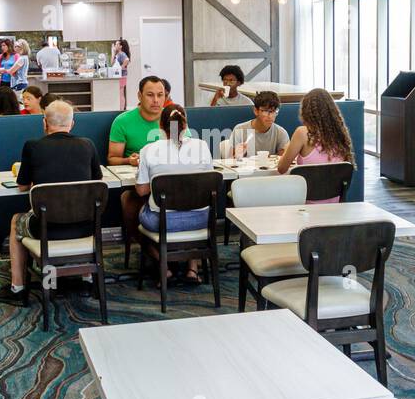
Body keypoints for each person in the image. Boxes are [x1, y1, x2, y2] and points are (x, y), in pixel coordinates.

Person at [0, 100, 102, 306]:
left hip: (46, 229)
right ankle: (86, 278)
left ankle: (17, 287)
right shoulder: (88, 145)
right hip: (85, 228)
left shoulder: (33, 146)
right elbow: (96, 181)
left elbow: (22, 186)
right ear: (72, 124)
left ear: (44, 123)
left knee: (16, 220)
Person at [135, 103, 213, 284]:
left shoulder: (149, 150)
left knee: (137, 215)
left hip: (163, 222)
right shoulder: (202, 146)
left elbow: (141, 191)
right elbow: (209, 185)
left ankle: (166, 267)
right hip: (201, 219)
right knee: (192, 206)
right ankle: (192, 268)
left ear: (161, 127)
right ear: (185, 125)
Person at [110, 76, 168, 237]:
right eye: (150, 95)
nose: (156, 100)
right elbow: (112, 158)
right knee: (127, 200)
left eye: (160, 95)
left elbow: (185, 150)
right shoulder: (122, 121)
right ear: (139, 96)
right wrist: (128, 160)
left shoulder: (172, 119)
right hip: (139, 187)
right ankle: (152, 253)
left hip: (172, 186)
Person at [277, 88, 354, 203]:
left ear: (306, 111)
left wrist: (289, 146)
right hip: (335, 206)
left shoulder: (302, 133)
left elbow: (281, 168)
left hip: (306, 205)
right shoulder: (340, 134)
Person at [231, 91, 290, 157]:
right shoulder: (239, 130)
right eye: (265, 111)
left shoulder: (281, 133)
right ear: (256, 111)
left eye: (273, 111)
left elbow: (282, 160)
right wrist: (237, 155)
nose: (270, 116)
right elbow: (230, 161)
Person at [112, 39, 131, 109]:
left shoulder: (122, 54)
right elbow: (112, 63)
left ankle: (121, 109)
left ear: (120, 46)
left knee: (121, 93)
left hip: (122, 76)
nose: (115, 46)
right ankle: (121, 108)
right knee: (120, 93)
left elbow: (127, 60)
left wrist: (120, 68)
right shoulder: (118, 54)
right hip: (120, 76)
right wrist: (113, 52)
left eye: (117, 44)